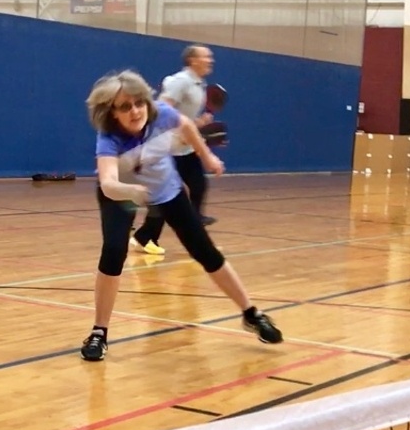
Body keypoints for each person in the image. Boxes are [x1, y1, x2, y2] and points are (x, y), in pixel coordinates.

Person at [81, 69, 282, 361]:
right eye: (125, 106)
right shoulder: (109, 137)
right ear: (112, 113)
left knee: (205, 252)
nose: (135, 110)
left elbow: (186, 125)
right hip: (123, 194)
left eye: (138, 102)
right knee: (113, 251)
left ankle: (252, 314)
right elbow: (109, 184)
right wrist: (132, 192)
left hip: (166, 190)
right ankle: (99, 332)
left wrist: (207, 156)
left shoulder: (160, 113)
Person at [130, 44, 217, 256]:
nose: (210, 60)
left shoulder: (198, 84)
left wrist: (197, 124)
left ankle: (197, 237)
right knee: (167, 193)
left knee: (198, 186)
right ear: (193, 60)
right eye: (206, 57)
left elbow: (184, 116)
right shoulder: (182, 81)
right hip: (168, 147)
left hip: (184, 147)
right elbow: (161, 108)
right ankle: (145, 236)